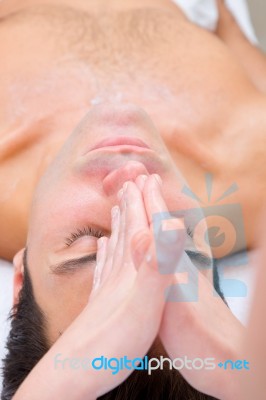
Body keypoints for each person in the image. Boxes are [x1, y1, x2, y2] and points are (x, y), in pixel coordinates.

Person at [0, 0, 265, 398]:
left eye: (87, 244)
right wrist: (240, 365)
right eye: (176, 245)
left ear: (21, 282)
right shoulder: (251, 169)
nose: (131, 182)